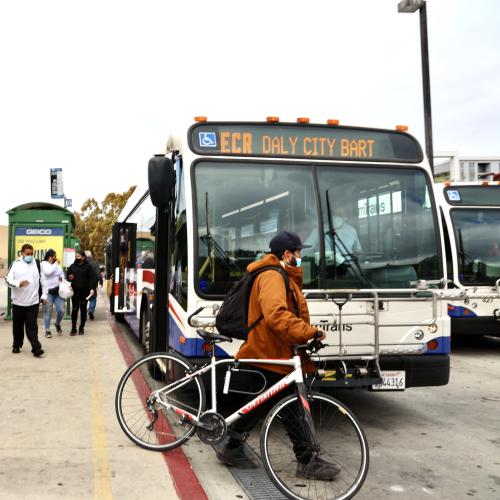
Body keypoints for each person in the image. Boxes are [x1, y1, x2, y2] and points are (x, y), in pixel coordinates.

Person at [216, 231, 340, 481]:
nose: (301, 257)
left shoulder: (280, 274)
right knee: (290, 407)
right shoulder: (273, 276)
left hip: (272, 351)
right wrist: (307, 332)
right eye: (298, 252)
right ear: (287, 254)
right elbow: (276, 315)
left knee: (259, 405)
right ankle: (306, 461)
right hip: (269, 351)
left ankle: (232, 447)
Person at [5, 244, 44, 357]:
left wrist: (44, 295)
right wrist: (18, 283)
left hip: (33, 302)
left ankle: (36, 348)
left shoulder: (37, 264)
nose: (30, 256)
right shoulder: (16, 264)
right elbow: (8, 279)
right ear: (22, 253)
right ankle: (16, 345)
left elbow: (42, 280)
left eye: (32, 253)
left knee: (32, 327)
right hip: (18, 302)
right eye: (27, 254)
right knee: (18, 327)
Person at [67, 250, 98, 335]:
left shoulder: (88, 267)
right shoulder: (72, 266)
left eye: (78, 256)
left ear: (83, 257)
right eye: (76, 256)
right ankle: (73, 328)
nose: (77, 258)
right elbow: (68, 276)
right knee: (75, 309)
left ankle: (81, 327)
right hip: (75, 291)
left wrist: (92, 288)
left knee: (83, 309)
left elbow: (93, 278)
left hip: (85, 291)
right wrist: (69, 277)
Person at [40, 249, 65, 337]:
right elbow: (48, 272)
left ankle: (57, 324)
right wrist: (55, 264)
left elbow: (61, 274)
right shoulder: (43, 264)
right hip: (48, 292)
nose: (56, 258)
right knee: (48, 312)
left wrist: (62, 278)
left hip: (58, 292)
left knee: (61, 310)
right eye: (54, 256)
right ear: (50, 257)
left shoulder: (56, 265)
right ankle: (47, 330)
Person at [84, 250, 100, 320]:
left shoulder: (81, 264)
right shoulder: (95, 264)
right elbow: (97, 276)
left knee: (84, 299)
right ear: (91, 256)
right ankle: (91, 310)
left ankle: (83, 312)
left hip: (83, 285)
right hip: (92, 285)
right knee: (93, 299)